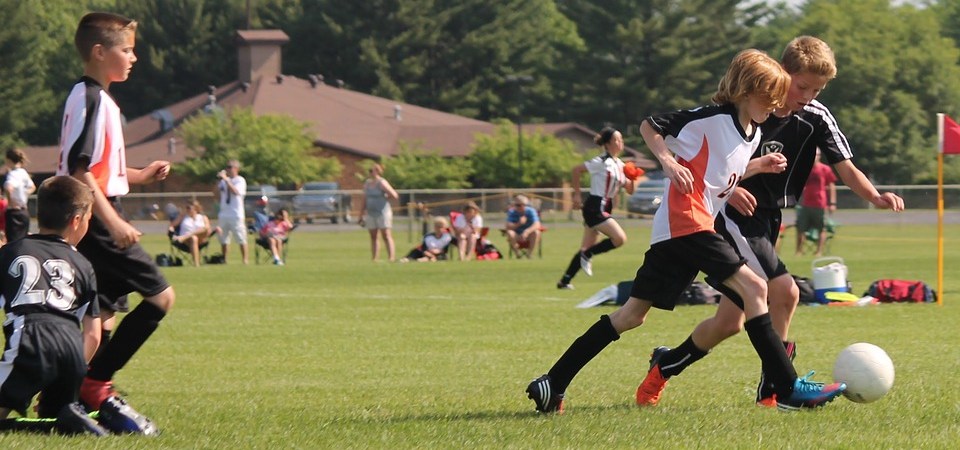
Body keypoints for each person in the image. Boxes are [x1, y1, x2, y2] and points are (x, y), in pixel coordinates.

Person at [526, 49, 846, 414]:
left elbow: (722, 174)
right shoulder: (711, 118)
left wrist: (757, 167)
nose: (775, 105)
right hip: (687, 223)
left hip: (678, 232)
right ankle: (786, 388)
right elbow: (651, 125)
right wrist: (667, 162)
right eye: (768, 97)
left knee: (631, 316)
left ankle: (552, 382)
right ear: (745, 91)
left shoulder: (752, 133)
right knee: (757, 287)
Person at [638, 36, 905, 409]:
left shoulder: (815, 117)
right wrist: (730, 191)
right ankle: (777, 389)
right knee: (786, 291)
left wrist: (874, 196)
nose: (809, 95)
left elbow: (845, 165)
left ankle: (665, 364)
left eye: (818, 89)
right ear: (782, 75)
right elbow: (714, 162)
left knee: (729, 322)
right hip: (733, 217)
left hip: (768, 220)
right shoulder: (750, 107)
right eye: (803, 86)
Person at [57, 12, 172, 431]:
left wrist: (139, 175)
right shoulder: (89, 98)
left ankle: (66, 390)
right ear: (100, 52)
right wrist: (115, 223)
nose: (134, 57)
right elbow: (79, 169)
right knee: (161, 298)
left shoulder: (97, 98)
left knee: (100, 317)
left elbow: (102, 169)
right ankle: (95, 385)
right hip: (97, 217)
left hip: (96, 213)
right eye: (126, 49)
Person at [0, 176, 108, 436]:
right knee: (55, 419)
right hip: (72, 353)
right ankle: (67, 417)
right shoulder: (83, 264)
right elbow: (93, 335)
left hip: (30, 341)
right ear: (77, 221)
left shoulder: (12, 252)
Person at [556, 127, 641, 289]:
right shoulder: (601, 161)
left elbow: (629, 190)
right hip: (594, 206)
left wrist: (633, 178)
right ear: (608, 144)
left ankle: (564, 281)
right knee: (619, 239)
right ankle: (587, 255)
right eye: (617, 140)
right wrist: (576, 195)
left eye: (621, 139)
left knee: (586, 247)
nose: (620, 143)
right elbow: (576, 170)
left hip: (606, 206)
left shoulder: (620, 165)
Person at [796, 149, 837, 256]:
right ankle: (799, 251)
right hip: (806, 203)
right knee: (801, 228)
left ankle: (819, 251)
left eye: (817, 155)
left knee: (821, 228)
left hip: (820, 204)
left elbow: (832, 186)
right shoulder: (805, 168)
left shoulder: (825, 169)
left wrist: (832, 203)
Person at [359, 163, 399, 262]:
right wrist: (361, 214)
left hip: (382, 212)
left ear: (377, 171)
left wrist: (384, 197)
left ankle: (391, 257)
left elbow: (394, 195)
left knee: (386, 234)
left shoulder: (382, 182)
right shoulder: (367, 183)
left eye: (371, 170)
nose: (370, 172)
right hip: (371, 213)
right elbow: (364, 199)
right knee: (373, 235)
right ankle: (375, 258)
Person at [216, 159, 247, 264]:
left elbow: (235, 192)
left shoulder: (240, 180)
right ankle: (224, 259)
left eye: (230, 167)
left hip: (236, 214)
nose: (228, 169)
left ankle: (245, 260)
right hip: (224, 213)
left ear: (236, 169)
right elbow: (215, 195)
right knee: (223, 239)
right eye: (227, 167)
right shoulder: (224, 181)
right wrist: (218, 180)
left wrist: (226, 180)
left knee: (240, 237)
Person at [3, 148, 37, 242]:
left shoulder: (12, 174)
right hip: (24, 212)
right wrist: (24, 194)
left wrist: (10, 202)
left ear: (9, 160)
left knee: (13, 243)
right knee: (23, 241)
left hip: (14, 212)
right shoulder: (23, 172)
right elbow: (33, 187)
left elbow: (8, 188)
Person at [170, 200, 214, 267]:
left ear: (195, 208)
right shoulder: (183, 217)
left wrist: (186, 236)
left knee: (205, 229)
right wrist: (171, 230)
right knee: (193, 238)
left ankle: (185, 236)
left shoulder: (203, 217)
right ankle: (196, 264)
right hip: (186, 242)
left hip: (200, 240)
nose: (186, 209)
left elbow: (207, 229)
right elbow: (172, 225)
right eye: (186, 208)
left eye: (188, 207)